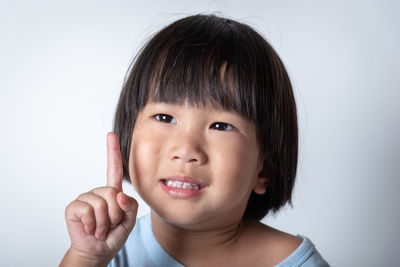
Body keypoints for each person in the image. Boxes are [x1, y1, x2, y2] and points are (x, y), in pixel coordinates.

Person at [60, 14, 329, 266]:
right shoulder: (108, 250)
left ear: (265, 170)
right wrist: (85, 258)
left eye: (221, 125)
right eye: (165, 118)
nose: (186, 150)